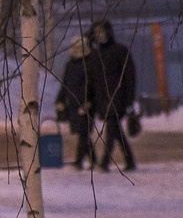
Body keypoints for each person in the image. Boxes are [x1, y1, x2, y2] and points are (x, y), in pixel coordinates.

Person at [83, 19, 137, 171]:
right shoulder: (95, 55)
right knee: (116, 131)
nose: (99, 35)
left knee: (111, 130)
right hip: (102, 98)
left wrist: (128, 99)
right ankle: (130, 161)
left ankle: (105, 162)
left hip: (117, 98)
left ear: (108, 32)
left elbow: (129, 77)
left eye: (101, 31)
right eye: (96, 32)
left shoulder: (120, 51)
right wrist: (89, 99)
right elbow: (91, 80)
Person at [56, 36, 94, 169]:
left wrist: (89, 102)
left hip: (86, 104)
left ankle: (79, 161)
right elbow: (65, 84)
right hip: (73, 103)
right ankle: (93, 159)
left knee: (83, 132)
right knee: (82, 132)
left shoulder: (89, 63)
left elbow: (93, 85)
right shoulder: (70, 64)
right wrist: (60, 100)